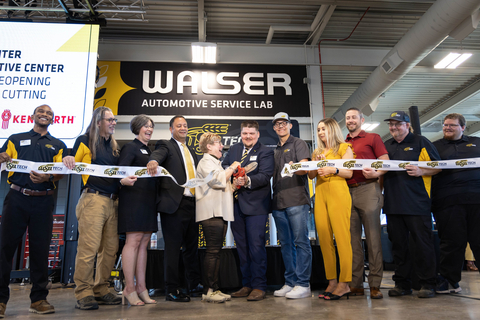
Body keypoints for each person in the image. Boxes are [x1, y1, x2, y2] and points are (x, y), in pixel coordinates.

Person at [63, 107, 136, 310]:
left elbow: (116, 174)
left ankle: (101, 289)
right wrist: (68, 158)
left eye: (114, 119)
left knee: (110, 250)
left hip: (114, 202)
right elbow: (72, 161)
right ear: (98, 122)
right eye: (110, 119)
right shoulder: (84, 140)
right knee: (88, 249)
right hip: (93, 199)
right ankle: (83, 292)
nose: (113, 122)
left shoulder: (114, 147)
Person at [0, 105, 66, 317]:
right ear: (33, 116)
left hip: (43, 201)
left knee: (40, 251)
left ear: (52, 120)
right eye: (41, 112)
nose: (44, 115)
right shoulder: (15, 138)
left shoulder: (58, 145)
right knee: (4, 249)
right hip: (17, 197)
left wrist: (48, 177)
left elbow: (60, 172)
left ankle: (39, 299)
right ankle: (0, 301)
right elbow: (3, 157)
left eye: (49, 114)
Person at [382, 111, 440, 299]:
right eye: (391, 124)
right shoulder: (386, 146)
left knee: (423, 244)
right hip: (393, 205)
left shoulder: (421, 142)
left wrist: (421, 170)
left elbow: (438, 166)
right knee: (399, 247)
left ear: (407, 125)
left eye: (397, 124)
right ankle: (402, 284)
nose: (394, 128)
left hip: (418, 203)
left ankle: (428, 283)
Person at [146, 115, 202, 302]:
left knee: (191, 249)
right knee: (172, 249)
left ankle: (193, 285)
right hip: (174, 205)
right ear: (171, 129)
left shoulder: (192, 151)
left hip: (193, 204)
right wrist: (153, 161)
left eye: (185, 125)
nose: (183, 128)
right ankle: (172, 289)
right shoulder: (166, 145)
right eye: (179, 126)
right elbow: (157, 155)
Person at [222, 120, 274, 301]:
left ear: (258, 134)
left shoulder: (266, 151)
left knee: (256, 246)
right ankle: (247, 284)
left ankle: (259, 286)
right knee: (242, 247)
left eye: (251, 133)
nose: (248, 136)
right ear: (241, 134)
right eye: (245, 133)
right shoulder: (234, 150)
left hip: (256, 206)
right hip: (235, 205)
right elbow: (224, 167)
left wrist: (247, 181)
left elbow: (266, 175)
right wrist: (230, 180)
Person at [431, 113, 480, 294]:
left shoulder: (477, 142)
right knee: (451, 243)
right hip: (447, 201)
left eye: (452, 125)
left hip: (477, 199)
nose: (447, 128)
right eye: (445, 125)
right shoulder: (434, 147)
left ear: (462, 127)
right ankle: (450, 281)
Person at [344, 108, 389, 299]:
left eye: (354, 117)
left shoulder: (373, 138)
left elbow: (385, 161)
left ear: (361, 119)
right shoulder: (342, 143)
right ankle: (356, 284)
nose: (351, 120)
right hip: (346, 191)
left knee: (373, 239)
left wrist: (377, 173)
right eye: (348, 118)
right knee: (353, 241)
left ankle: (375, 284)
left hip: (368, 188)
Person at [308, 118, 353, 301]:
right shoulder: (317, 151)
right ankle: (332, 281)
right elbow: (311, 175)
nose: (320, 133)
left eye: (323, 129)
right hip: (320, 195)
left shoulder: (344, 148)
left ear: (332, 130)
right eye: (319, 129)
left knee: (342, 238)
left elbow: (349, 173)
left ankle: (345, 283)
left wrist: (332, 169)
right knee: (325, 239)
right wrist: (316, 163)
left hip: (338, 193)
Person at [271, 112, 312, 299]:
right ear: (274, 128)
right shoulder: (276, 150)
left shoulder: (299, 143)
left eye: (284, 123)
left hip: (296, 200)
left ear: (290, 125)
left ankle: (303, 284)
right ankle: (290, 282)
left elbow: (306, 168)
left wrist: (294, 167)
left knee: (301, 242)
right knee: (286, 244)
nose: (281, 126)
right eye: (277, 124)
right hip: (278, 202)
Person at [195, 132, 240, 303]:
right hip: (211, 213)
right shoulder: (205, 162)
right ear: (209, 146)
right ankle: (209, 290)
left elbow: (221, 186)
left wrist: (233, 186)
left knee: (216, 252)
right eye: (218, 143)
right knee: (213, 252)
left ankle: (214, 288)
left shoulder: (215, 163)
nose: (222, 146)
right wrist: (232, 167)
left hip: (219, 213)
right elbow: (215, 181)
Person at [117, 115, 157, 306]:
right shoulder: (130, 147)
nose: (149, 129)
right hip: (133, 199)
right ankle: (129, 288)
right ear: (137, 128)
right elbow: (119, 171)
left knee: (144, 243)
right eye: (145, 126)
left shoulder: (149, 151)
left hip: (148, 200)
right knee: (133, 241)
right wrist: (121, 180)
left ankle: (142, 288)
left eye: (151, 126)